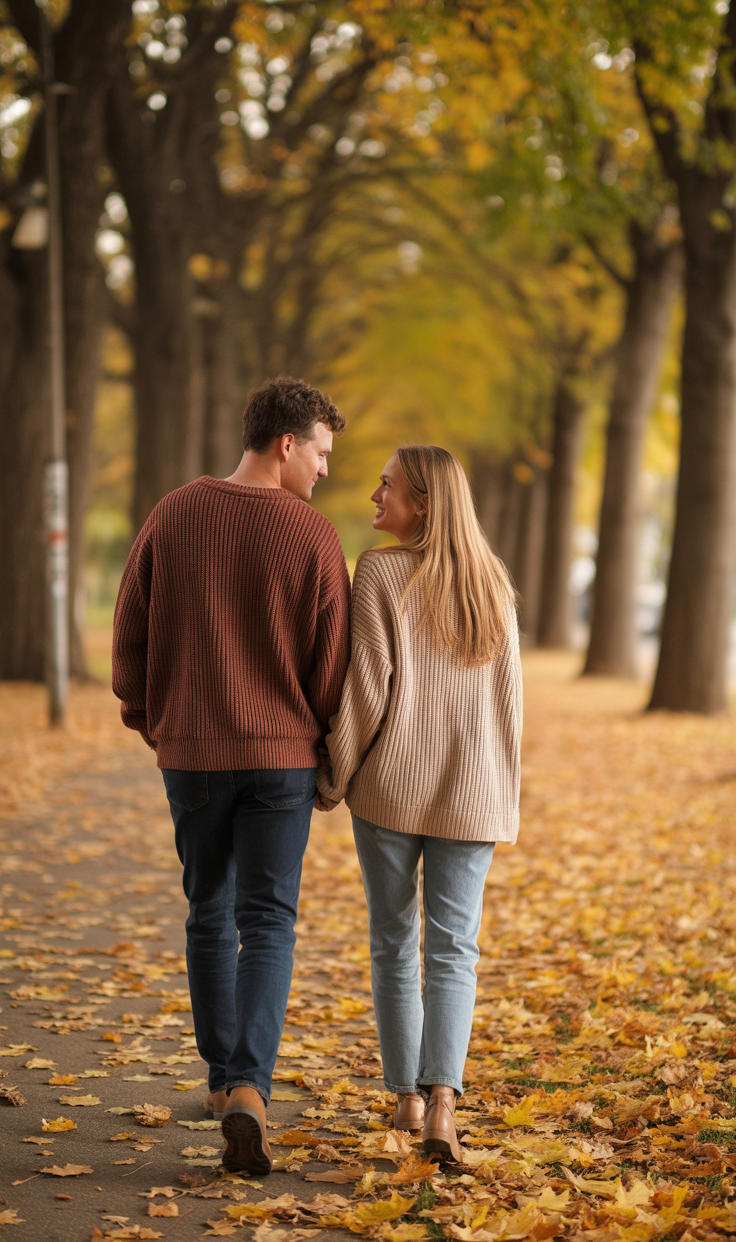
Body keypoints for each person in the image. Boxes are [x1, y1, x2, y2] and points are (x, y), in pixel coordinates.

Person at [112, 377, 350, 1176]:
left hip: (193, 753)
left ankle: (219, 1080)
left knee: (207, 909)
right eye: (320, 453)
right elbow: (331, 666)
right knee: (269, 921)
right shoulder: (314, 537)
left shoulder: (172, 514)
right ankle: (250, 1086)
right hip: (282, 757)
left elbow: (130, 633)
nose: (324, 470)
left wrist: (154, 720)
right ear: (286, 444)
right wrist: (321, 743)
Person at [317, 445, 521, 1162]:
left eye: (388, 486)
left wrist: (335, 775)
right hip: (473, 792)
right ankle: (442, 1107)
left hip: (390, 789)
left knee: (394, 941)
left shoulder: (378, 571)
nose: (375, 496)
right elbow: (508, 704)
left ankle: (405, 1096)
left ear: (424, 502)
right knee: (455, 950)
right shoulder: (493, 581)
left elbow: (366, 689)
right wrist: (502, 796)